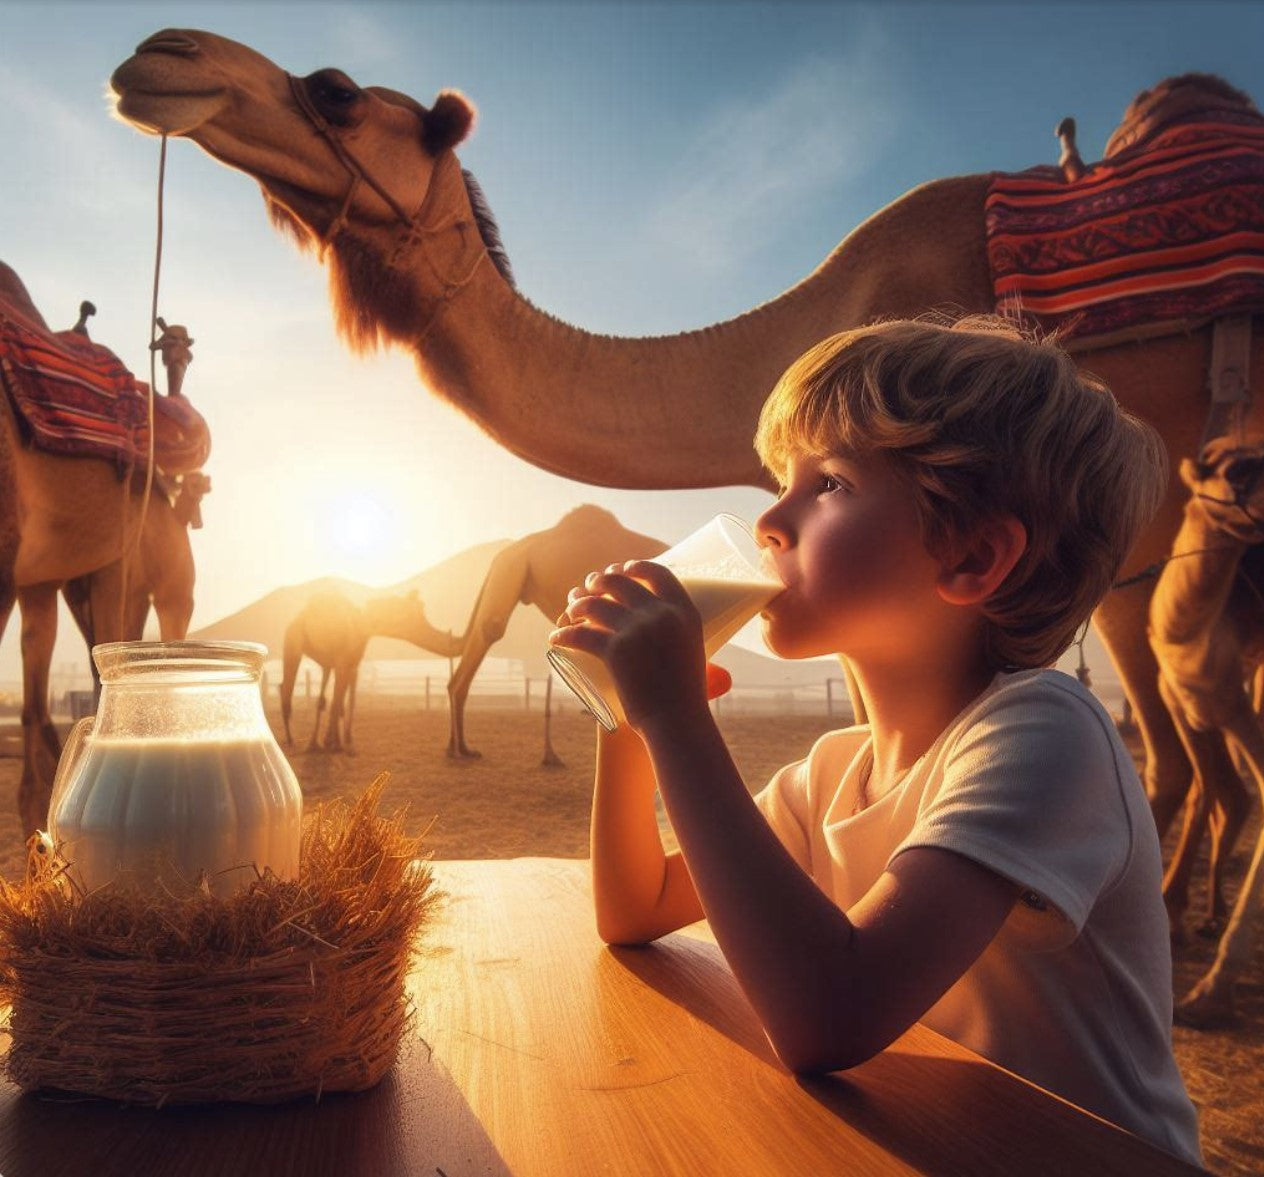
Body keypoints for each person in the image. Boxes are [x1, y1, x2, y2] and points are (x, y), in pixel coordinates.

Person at [548, 315, 1203, 1166]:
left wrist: (678, 714)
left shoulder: (1046, 731)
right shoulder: (833, 772)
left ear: (971, 559)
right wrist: (629, 717)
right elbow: (632, 911)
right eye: (782, 481)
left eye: (829, 485)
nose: (770, 522)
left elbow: (829, 1015)